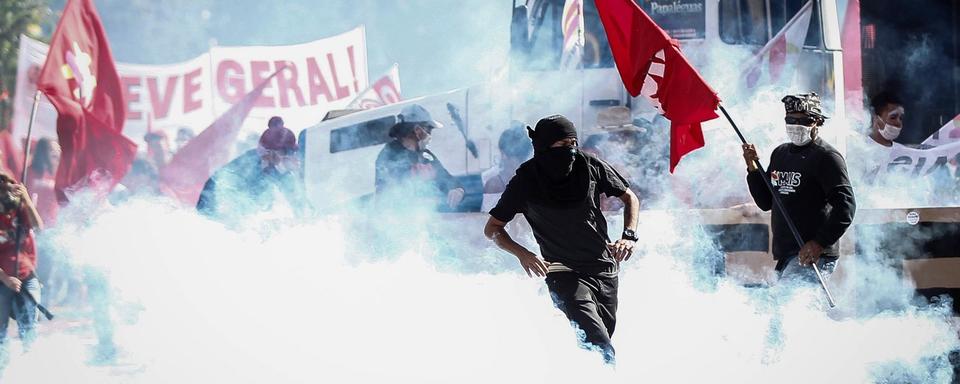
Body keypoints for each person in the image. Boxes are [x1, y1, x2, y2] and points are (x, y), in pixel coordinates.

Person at [483, 115, 640, 363]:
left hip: (604, 269)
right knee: (600, 346)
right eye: (562, 145)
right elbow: (493, 228)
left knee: (598, 345)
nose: (570, 151)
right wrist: (523, 254)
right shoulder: (525, 180)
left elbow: (629, 196)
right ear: (544, 147)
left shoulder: (589, 165)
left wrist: (628, 236)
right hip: (563, 272)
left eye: (573, 144)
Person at [741, 93, 856, 282]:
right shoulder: (780, 154)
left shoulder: (827, 157)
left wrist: (819, 243)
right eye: (790, 119)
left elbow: (846, 208)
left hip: (813, 255)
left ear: (817, 122)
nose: (796, 125)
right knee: (784, 307)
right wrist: (753, 169)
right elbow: (766, 202)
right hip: (787, 253)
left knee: (790, 307)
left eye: (804, 120)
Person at [196, 117, 309, 221]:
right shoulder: (245, 167)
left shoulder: (274, 168)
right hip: (219, 216)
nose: (291, 156)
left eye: (292, 152)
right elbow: (219, 194)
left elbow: (293, 196)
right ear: (269, 153)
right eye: (286, 152)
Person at [374, 104, 464, 211]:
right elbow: (391, 194)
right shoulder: (389, 155)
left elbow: (447, 179)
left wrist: (458, 190)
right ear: (418, 130)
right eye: (429, 129)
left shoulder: (426, 155)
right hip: (401, 220)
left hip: (429, 218)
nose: (430, 134)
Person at [0, 170, 44, 360]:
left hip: (27, 276)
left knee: (29, 329)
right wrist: (6, 279)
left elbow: (39, 227)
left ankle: (29, 366)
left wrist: (26, 199)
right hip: (3, 280)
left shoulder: (21, 209)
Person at [481, 121, 533, 211]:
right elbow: (487, 219)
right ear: (504, 154)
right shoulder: (494, 184)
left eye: (523, 158)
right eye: (517, 158)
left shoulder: (532, 180)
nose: (521, 164)